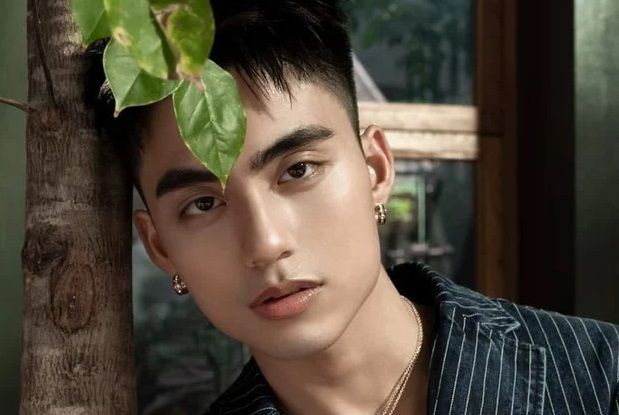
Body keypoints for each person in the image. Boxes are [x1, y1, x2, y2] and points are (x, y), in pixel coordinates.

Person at [90, 0, 619, 413]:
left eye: (298, 170)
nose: (266, 244)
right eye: (204, 203)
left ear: (376, 170)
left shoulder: (599, 380)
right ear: (160, 246)